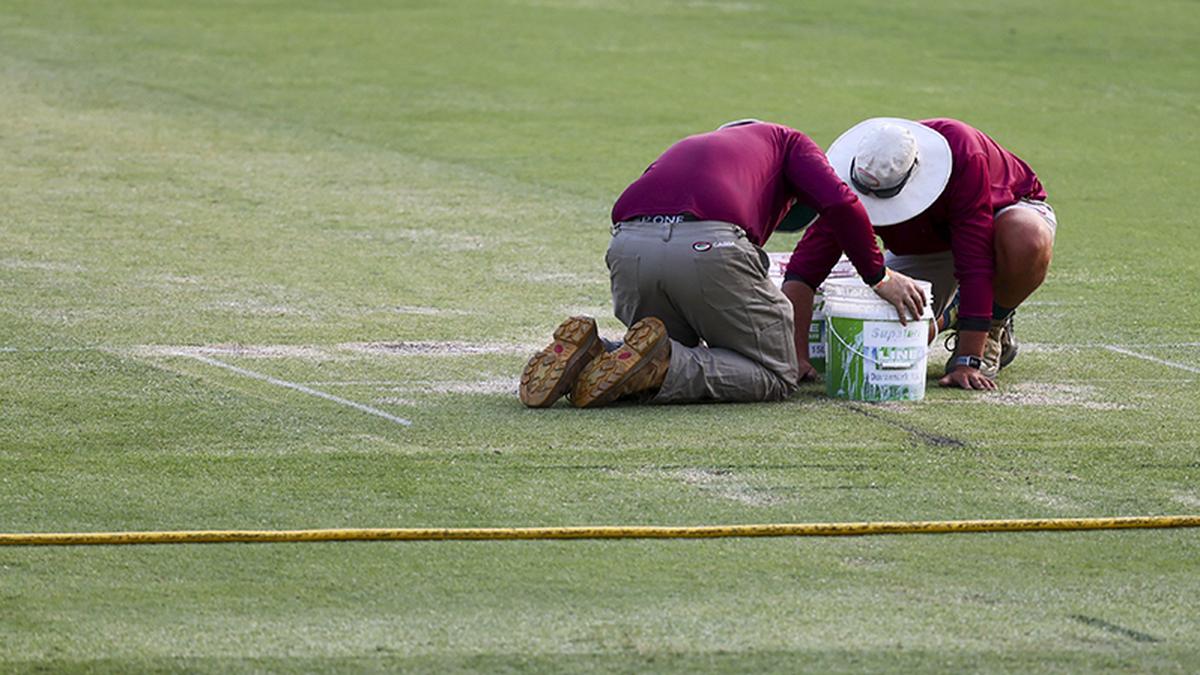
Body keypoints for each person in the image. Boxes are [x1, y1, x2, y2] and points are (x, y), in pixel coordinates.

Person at [518, 120, 927, 408]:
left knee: (668, 341)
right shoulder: (790, 142)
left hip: (628, 247)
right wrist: (879, 276)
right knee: (774, 374)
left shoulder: (694, 146)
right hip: (708, 246)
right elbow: (842, 204)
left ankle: (594, 352)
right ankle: (663, 368)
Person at [786, 117, 1056, 391]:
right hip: (927, 244)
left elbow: (975, 262)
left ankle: (994, 323)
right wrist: (797, 355)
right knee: (886, 340)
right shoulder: (847, 182)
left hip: (1001, 217)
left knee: (1026, 237)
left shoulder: (963, 152)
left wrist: (967, 360)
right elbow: (805, 269)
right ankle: (953, 313)